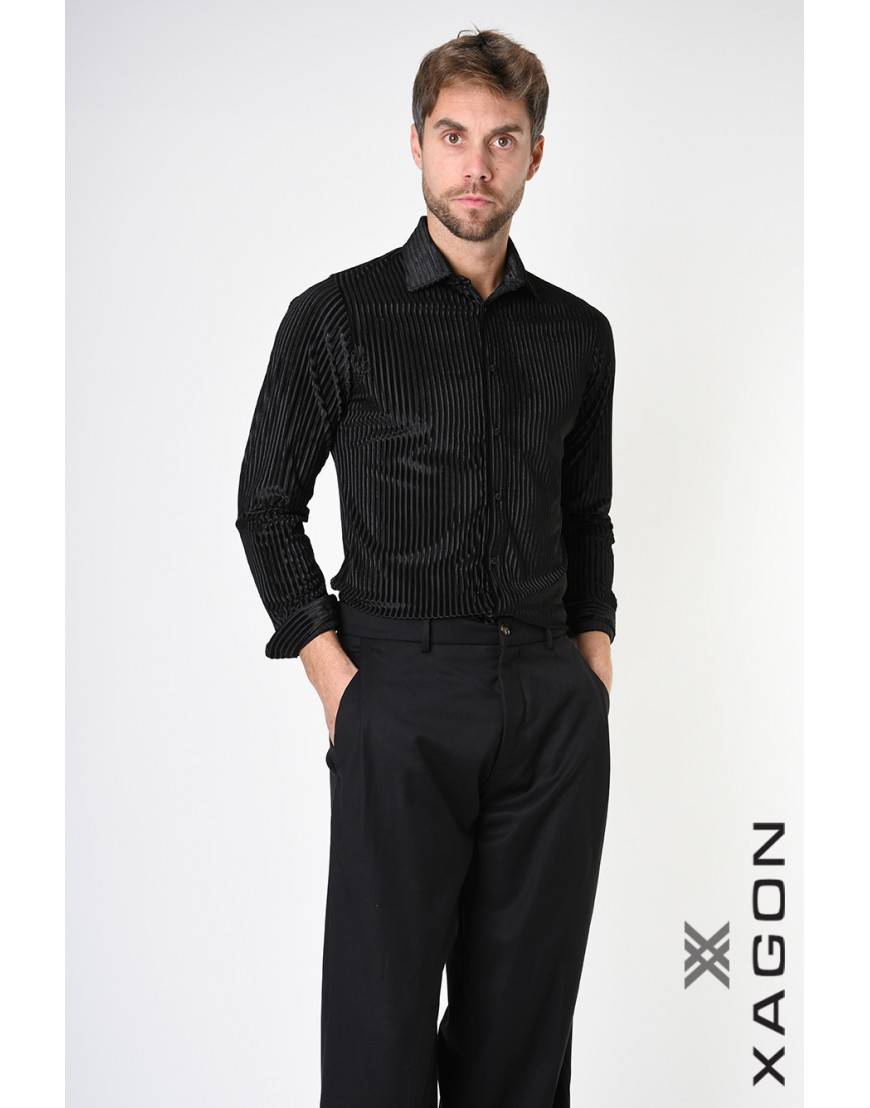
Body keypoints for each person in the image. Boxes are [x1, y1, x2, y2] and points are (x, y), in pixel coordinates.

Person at [235, 26, 616, 1108]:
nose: (476, 165)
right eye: (454, 136)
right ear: (416, 144)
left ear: (535, 155)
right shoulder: (337, 317)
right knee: (380, 1029)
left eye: (502, 140)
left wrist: (590, 672)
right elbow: (266, 506)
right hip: (398, 691)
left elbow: (585, 519)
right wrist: (340, 683)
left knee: (522, 1039)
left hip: (548, 704)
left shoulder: (578, 336)